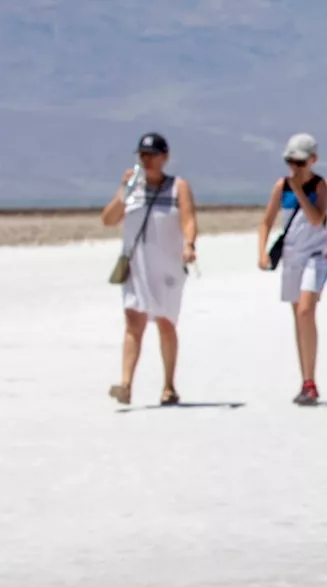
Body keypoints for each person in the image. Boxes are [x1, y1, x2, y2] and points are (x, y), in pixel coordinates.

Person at [99, 132, 197, 406]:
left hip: (167, 267)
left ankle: (168, 385)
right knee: (133, 321)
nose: (147, 160)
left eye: (152, 155)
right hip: (137, 265)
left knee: (165, 323)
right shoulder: (132, 188)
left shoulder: (179, 187)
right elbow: (108, 219)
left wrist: (189, 244)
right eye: (143, 155)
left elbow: (188, 219)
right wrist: (124, 192)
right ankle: (126, 385)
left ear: (165, 157)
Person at [257, 133, 327, 406]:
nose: (295, 168)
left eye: (300, 162)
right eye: (291, 162)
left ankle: (310, 380)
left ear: (313, 160)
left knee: (306, 310)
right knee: (298, 318)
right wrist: (262, 251)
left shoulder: (322, 185)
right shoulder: (281, 187)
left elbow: (316, 219)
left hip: (316, 254)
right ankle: (306, 380)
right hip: (291, 258)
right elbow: (266, 221)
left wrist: (300, 190)